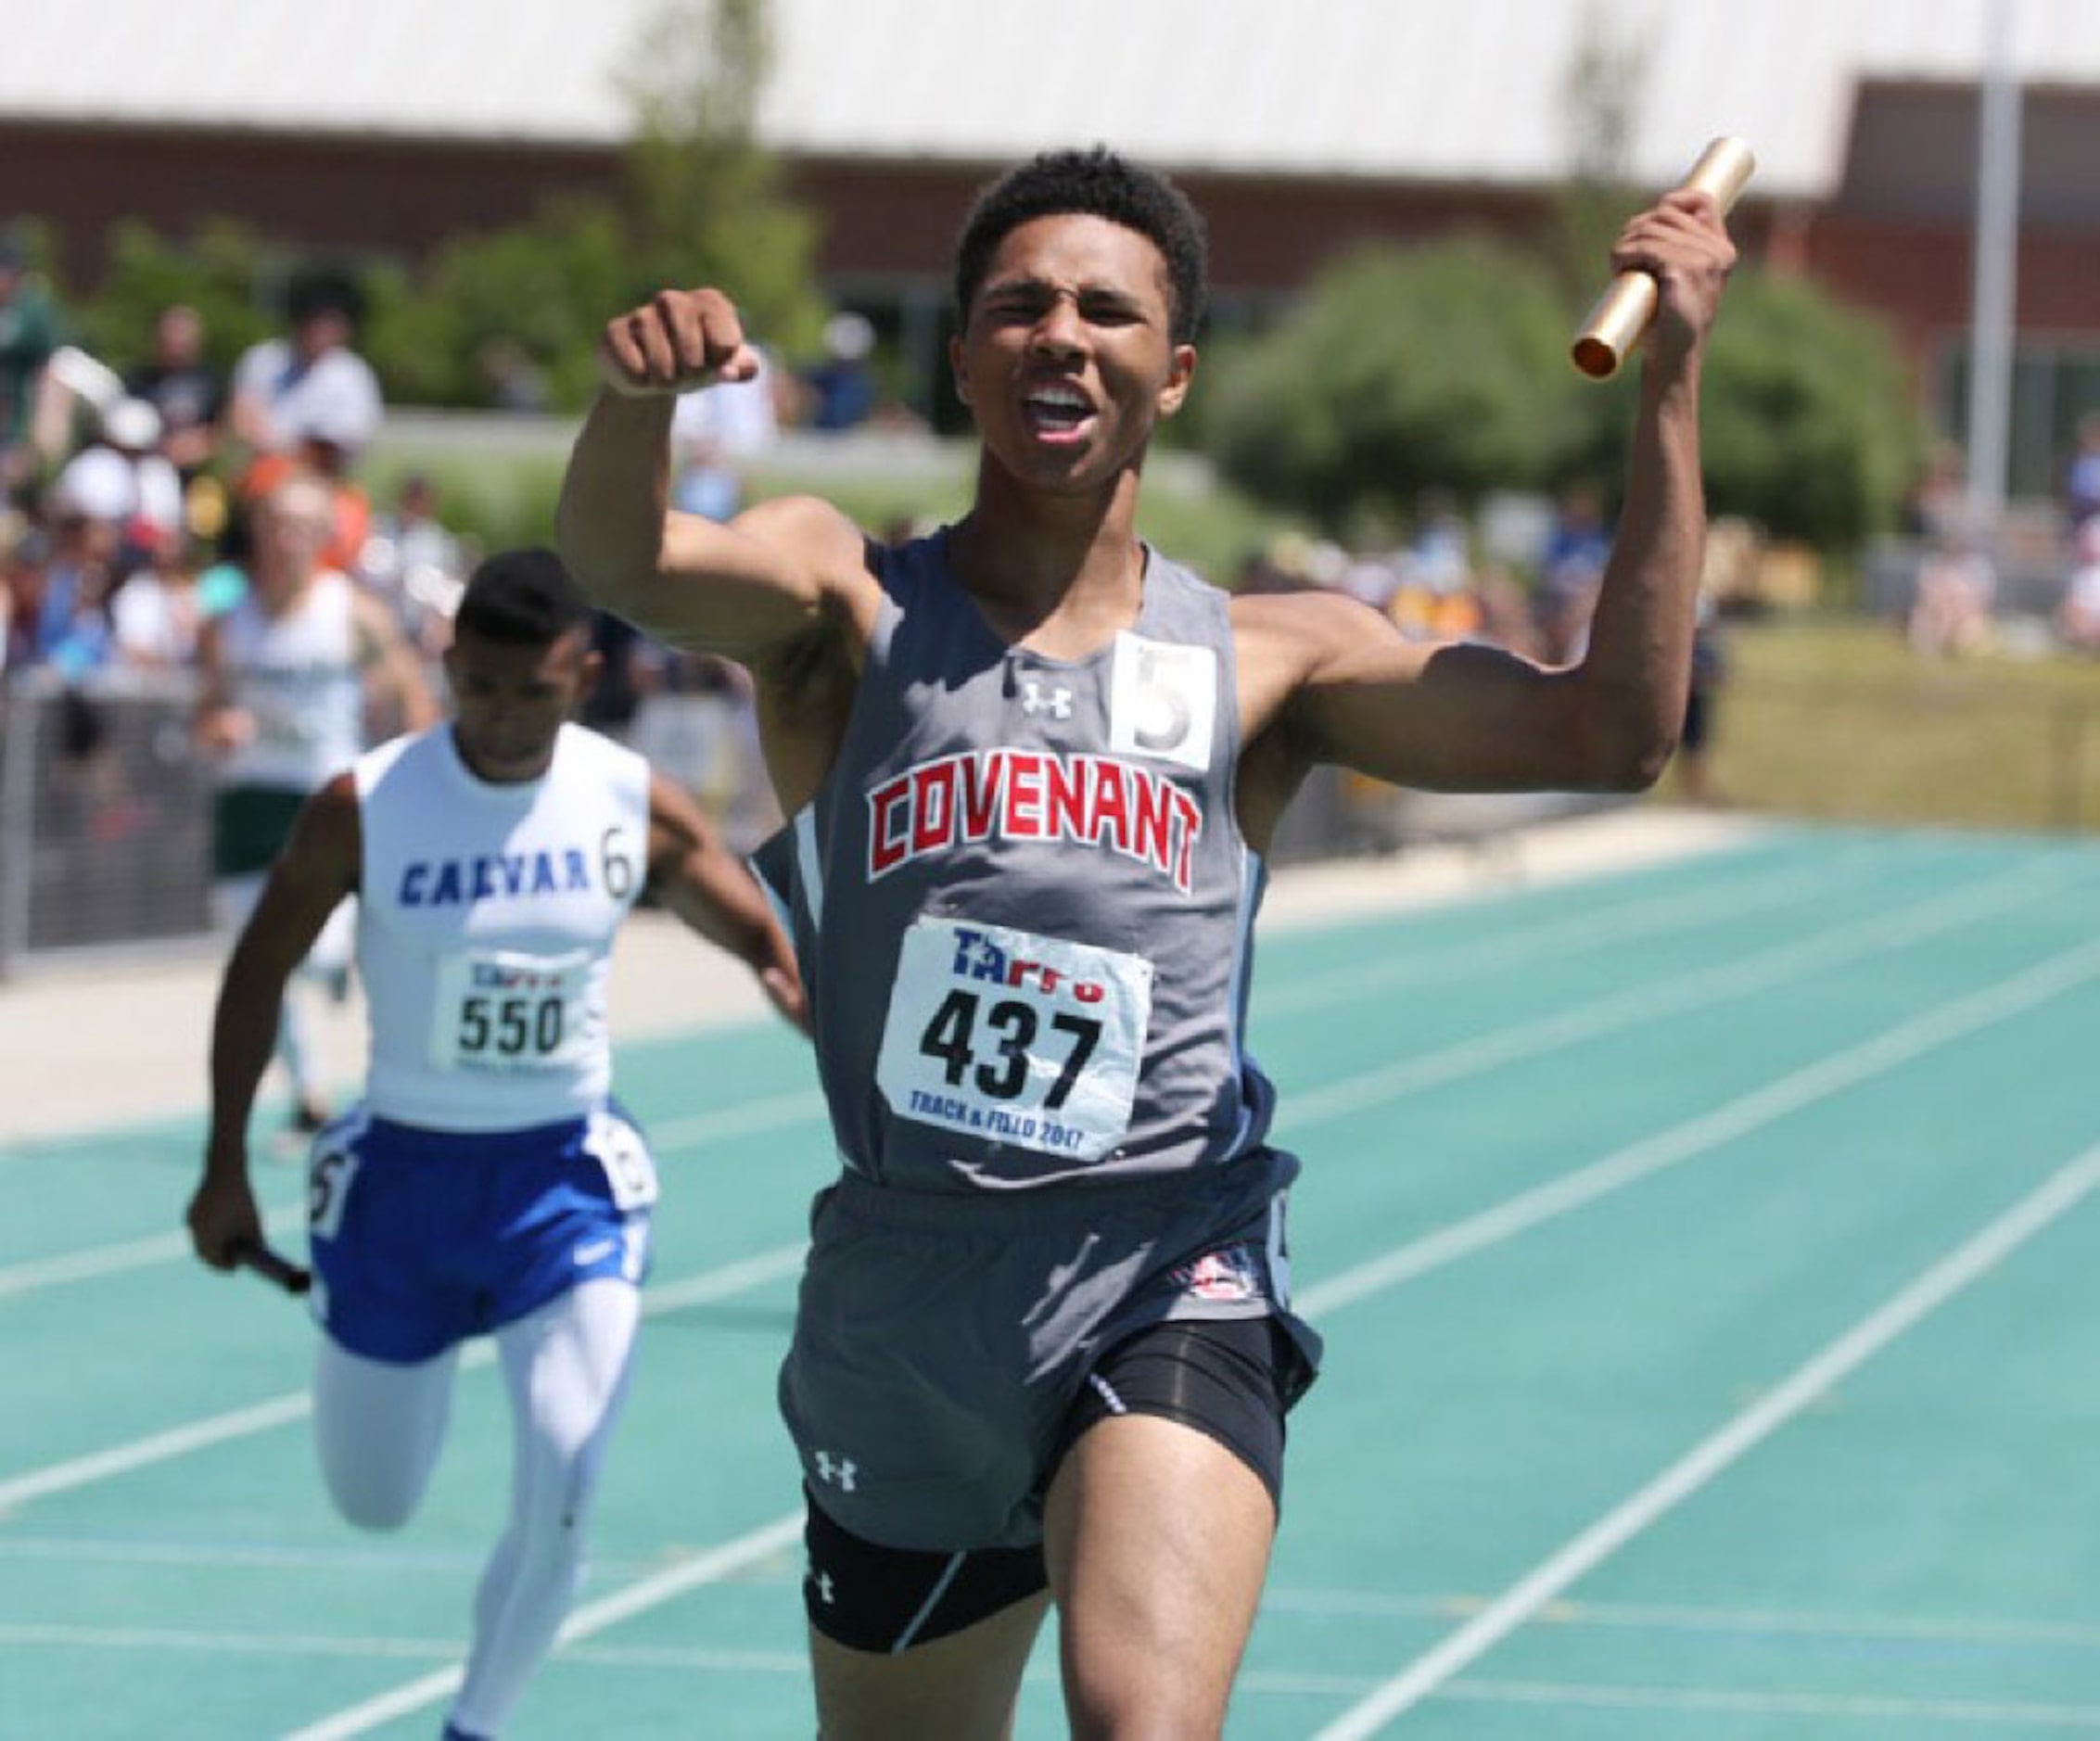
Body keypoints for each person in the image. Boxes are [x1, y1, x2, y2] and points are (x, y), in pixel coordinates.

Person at [555, 145, 1734, 1738]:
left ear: (1172, 374)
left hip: (1164, 1260)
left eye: (1108, 311)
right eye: (1019, 305)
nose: (1062, 333)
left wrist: (1670, 386)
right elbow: (629, 566)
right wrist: (639, 407)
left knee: (1143, 1721)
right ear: (963, 353)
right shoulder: (848, 602)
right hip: (908, 1291)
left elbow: (1613, 732)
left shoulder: (1274, 656)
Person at [185, 546, 806, 1741]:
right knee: (373, 1502)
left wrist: (812, 1003)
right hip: (399, 1190)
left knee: (568, 1482)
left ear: (584, 673)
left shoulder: (625, 799)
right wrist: (223, 1171)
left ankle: (475, 1725)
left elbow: (769, 945)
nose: (508, 717)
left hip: (564, 1183)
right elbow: (257, 968)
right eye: (483, 688)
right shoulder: (367, 803)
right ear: (450, 665)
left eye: (537, 689)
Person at [195, 472, 437, 1137]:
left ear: (324, 536)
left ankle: (335, 965)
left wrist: (417, 777)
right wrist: (216, 726)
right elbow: (206, 705)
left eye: (301, 526)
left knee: (313, 950)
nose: (285, 540)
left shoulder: (353, 613)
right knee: (256, 960)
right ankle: (309, 1094)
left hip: (325, 795)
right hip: (248, 798)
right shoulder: (228, 618)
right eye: (274, 524)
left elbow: (415, 698)